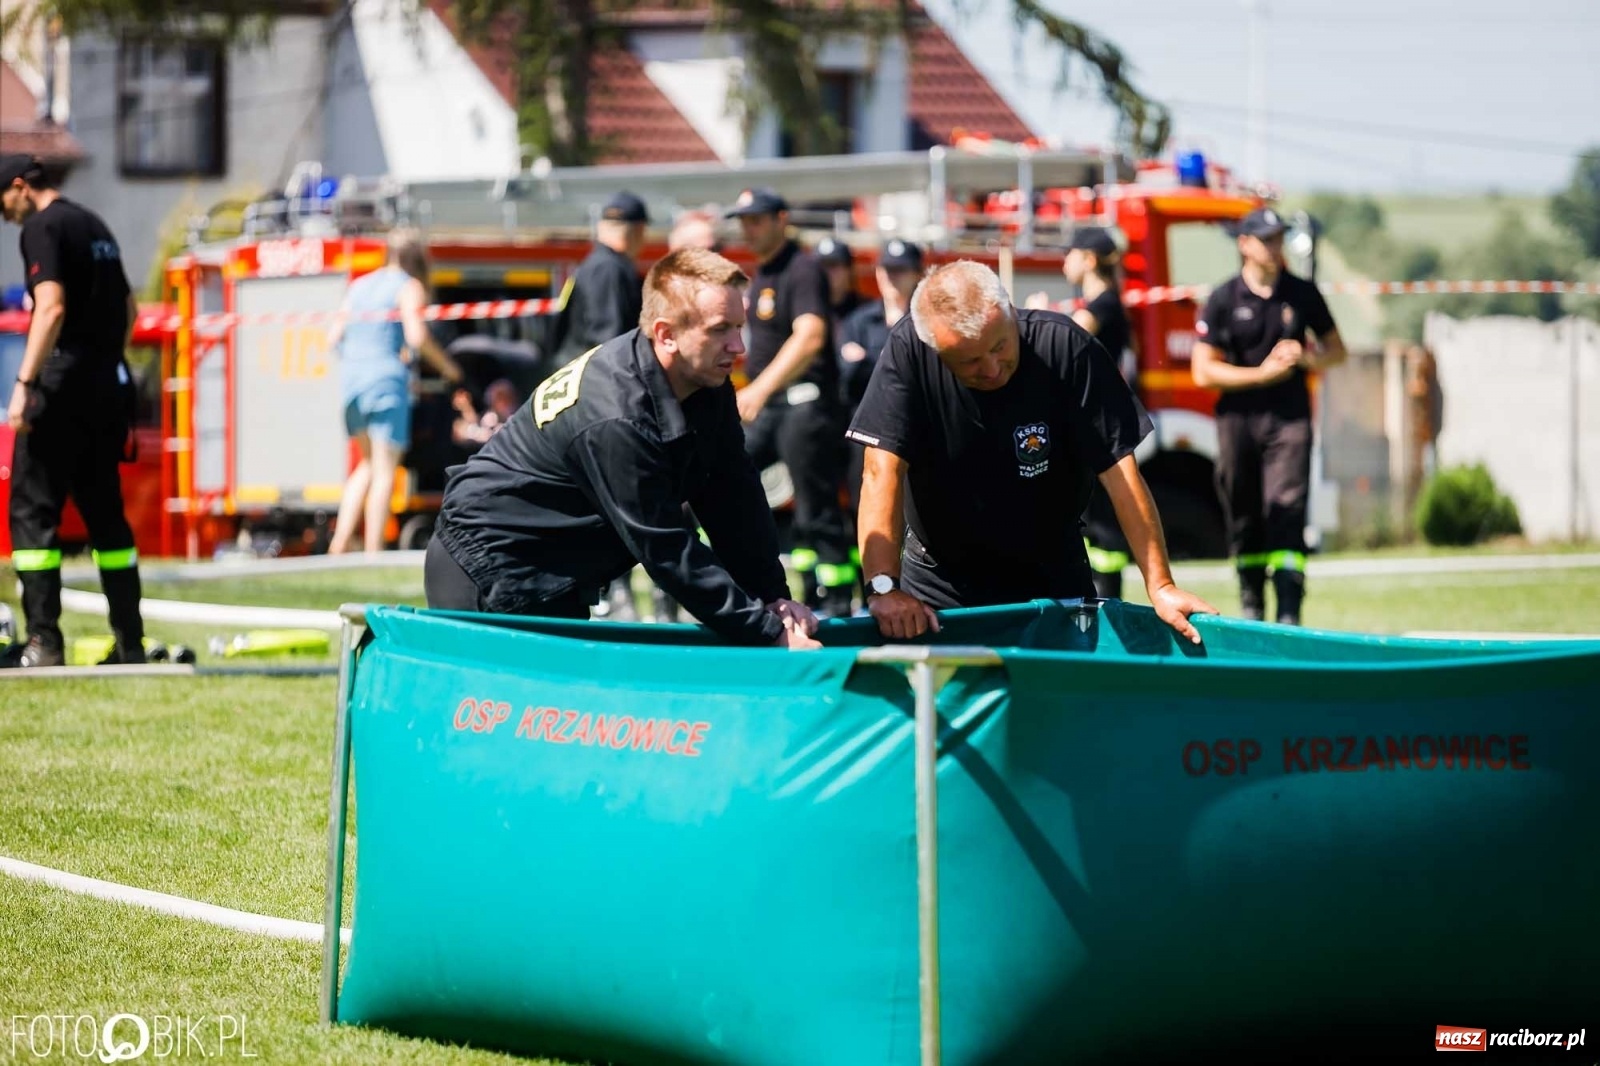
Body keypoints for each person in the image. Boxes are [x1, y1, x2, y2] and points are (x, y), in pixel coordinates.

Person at [424, 248, 820, 650]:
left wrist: (773, 599)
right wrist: (767, 633)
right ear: (666, 334)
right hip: (489, 566)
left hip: (552, 570)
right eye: (720, 329)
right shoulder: (618, 415)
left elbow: (733, 497)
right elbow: (663, 545)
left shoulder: (704, 383)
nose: (738, 346)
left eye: (740, 327)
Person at [847, 260, 1215, 643]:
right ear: (935, 349)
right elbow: (880, 471)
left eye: (999, 346)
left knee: (1061, 701)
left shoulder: (1066, 347)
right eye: (969, 361)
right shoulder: (909, 348)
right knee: (945, 702)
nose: (991, 369)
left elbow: (1121, 474)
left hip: (1052, 574)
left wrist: (1161, 586)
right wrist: (884, 589)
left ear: (1010, 310)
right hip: (941, 581)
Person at [1, 153, 147, 667]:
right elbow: (130, 310)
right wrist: (103, 360)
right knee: (107, 518)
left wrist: (24, 384)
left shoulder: (42, 226)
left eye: (4, 203)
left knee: (32, 513)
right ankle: (130, 643)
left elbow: (52, 306)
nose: (6, 215)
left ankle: (44, 643)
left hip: (60, 389)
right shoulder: (93, 222)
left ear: (20, 187)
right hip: (106, 386)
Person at [1191, 207, 1347, 625]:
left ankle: (1290, 615)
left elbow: (1338, 351)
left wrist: (1307, 358)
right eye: (1266, 239)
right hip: (1237, 420)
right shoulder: (1223, 298)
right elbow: (1202, 370)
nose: (1275, 246)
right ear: (1245, 245)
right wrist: (1260, 375)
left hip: (1289, 418)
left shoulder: (1302, 293)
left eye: (1279, 238)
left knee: (1287, 507)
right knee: (1243, 510)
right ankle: (1252, 607)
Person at [726, 187, 854, 615]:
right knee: (724, 479)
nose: (748, 228)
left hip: (802, 403)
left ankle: (837, 603)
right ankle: (745, 586)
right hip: (771, 407)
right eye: (744, 221)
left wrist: (760, 388)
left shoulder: (802, 269)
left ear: (782, 219)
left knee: (816, 511)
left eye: (757, 219)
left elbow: (810, 336)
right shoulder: (762, 274)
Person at [326, 229, 463, 555]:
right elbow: (417, 337)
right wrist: (448, 369)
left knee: (368, 465)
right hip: (386, 383)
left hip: (352, 383)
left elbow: (334, 337)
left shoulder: (359, 286)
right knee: (386, 471)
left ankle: (339, 543)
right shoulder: (409, 286)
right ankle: (374, 552)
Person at [1062, 226, 1136, 599]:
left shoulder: (1104, 303)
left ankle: (1109, 597)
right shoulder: (1101, 302)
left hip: (1101, 423)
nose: (1065, 261)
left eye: (1070, 252)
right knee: (1089, 515)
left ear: (1088, 260)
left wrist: (1042, 315)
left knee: (1104, 519)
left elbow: (1073, 335)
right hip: (1088, 421)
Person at [838, 238, 924, 510]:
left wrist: (868, 359)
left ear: (918, 273)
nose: (891, 277)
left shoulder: (926, 319)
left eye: (900, 269)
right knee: (862, 492)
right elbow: (847, 376)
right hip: (867, 421)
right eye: (886, 269)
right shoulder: (859, 320)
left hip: (918, 422)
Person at [552, 190, 650, 367]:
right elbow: (609, 341)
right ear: (639, 230)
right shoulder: (608, 268)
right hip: (599, 380)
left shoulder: (594, 264)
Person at [451, 378, 521, 448]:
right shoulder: (490, 417)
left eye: (506, 398)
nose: (503, 402)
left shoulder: (516, 421)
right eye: (499, 398)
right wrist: (466, 408)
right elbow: (478, 427)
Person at [814, 236, 864, 323]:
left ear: (849, 269)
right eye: (821, 266)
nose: (826, 271)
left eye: (833, 265)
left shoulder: (865, 311)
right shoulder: (805, 309)